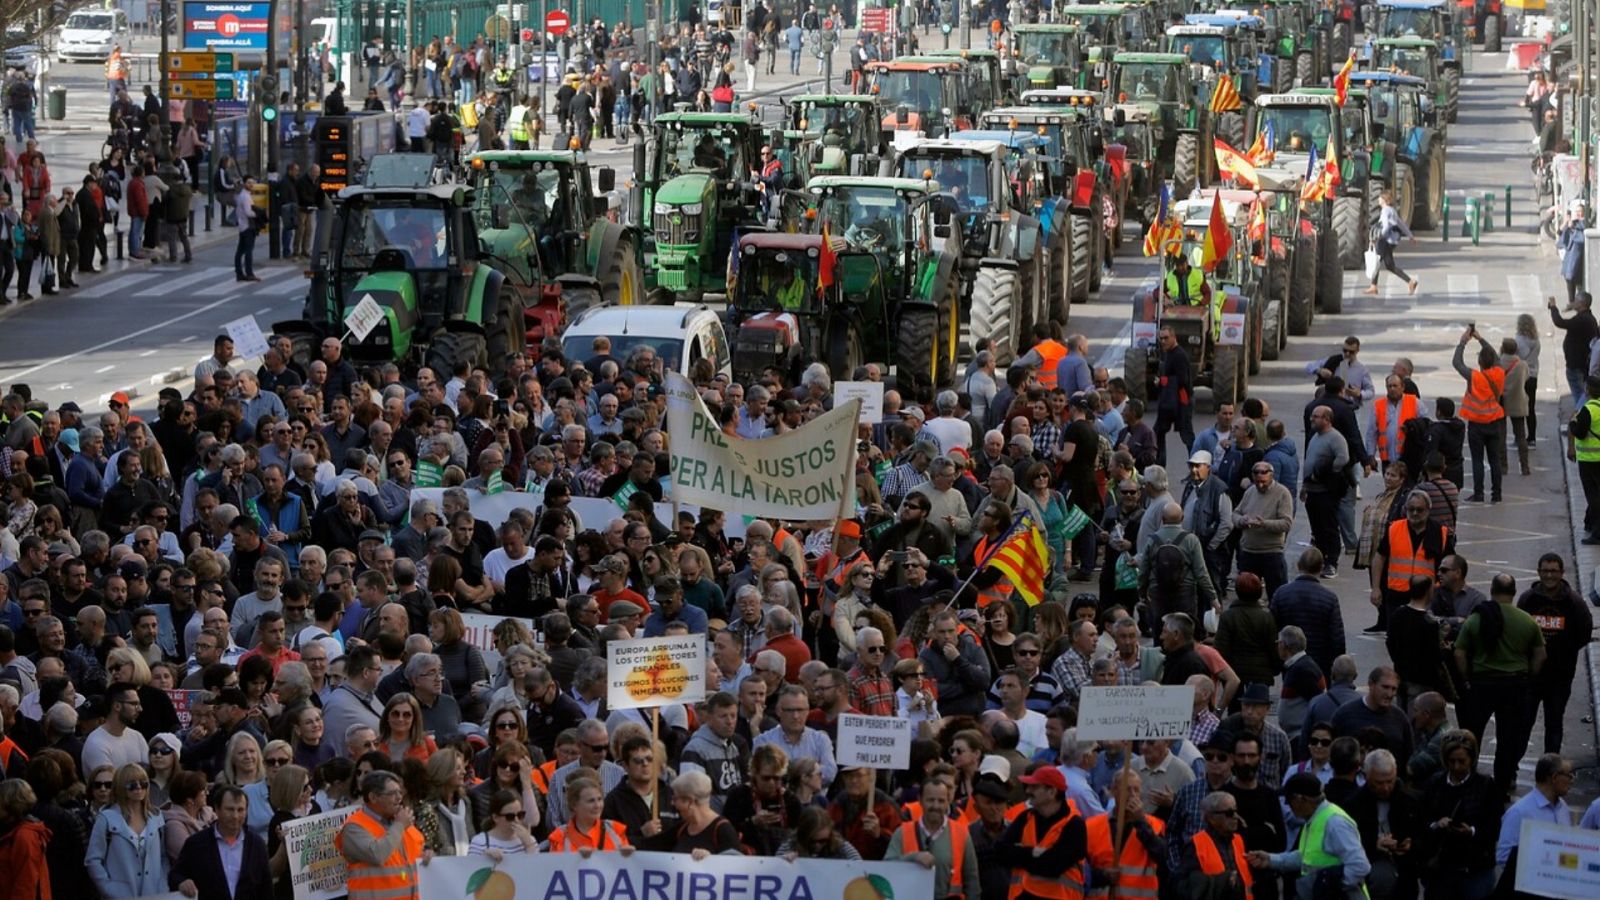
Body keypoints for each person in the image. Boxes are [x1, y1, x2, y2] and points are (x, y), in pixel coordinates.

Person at [1454, 573, 1546, 793]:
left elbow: (1459, 653)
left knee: (1472, 733)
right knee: (1509, 737)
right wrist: (1529, 676)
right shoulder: (1526, 620)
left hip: (1482, 684)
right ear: (1514, 593)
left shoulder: (1477, 619)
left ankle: (1467, 778)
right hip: (1514, 685)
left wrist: (1467, 676)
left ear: (1492, 590)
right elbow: (1541, 656)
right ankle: (1503, 785)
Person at [1247, 773, 1370, 900]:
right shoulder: (1314, 819)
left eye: (1289, 801)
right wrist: (1271, 860)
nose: (1288, 806)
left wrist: (1331, 888)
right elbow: (1306, 857)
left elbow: (1360, 866)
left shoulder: (1335, 823)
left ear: (1301, 800)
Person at [1517, 554, 1592, 753]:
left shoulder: (1574, 603)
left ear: (1561, 573)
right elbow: (1518, 632)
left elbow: (1584, 633)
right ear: (1538, 572)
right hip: (1531, 677)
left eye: (1553, 571)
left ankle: (1550, 772)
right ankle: (1511, 771)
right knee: (1522, 725)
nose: (1549, 575)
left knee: (1554, 725)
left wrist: (1563, 653)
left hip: (1560, 677)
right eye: (1545, 571)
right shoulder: (1527, 600)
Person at [1416, 730, 1501, 899]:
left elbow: (1494, 826)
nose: (1456, 767)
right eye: (1451, 761)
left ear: (1472, 759)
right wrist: (1436, 824)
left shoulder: (1485, 786)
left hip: (1475, 868)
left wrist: (1472, 832)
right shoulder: (1434, 784)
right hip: (1441, 868)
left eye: (1462, 761)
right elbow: (1421, 820)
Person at [996, 766, 1088, 899]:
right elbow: (1001, 852)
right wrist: (1033, 852)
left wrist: (1020, 854)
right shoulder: (1026, 818)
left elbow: (1054, 866)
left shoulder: (1074, 825)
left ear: (1052, 792)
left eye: (1034, 787)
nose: (1027, 791)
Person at [335, 770, 429, 898]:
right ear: (373, 797)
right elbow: (377, 854)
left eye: (400, 792)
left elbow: (417, 852)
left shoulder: (401, 822)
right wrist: (400, 825)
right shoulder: (354, 828)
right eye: (392, 793)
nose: (399, 798)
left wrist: (428, 856)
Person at [884, 777, 982, 899]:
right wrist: (913, 858)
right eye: (930, 800)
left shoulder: (961, 833)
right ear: (920, 800)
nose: (936, 806)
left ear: (948, 802)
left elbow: (972, 882)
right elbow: (887, 868)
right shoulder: (902, 832)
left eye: (941, 801)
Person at [170, 784, 272, 899]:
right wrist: (182, 882)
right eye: (230, 809)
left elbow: (266, 888)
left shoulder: (256, 844)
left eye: (240, 810)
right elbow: (175, 875)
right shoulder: (196, 844)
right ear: (217, 810)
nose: (235, 816)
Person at [87, 762, 170, 896]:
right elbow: (93, 860)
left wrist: (162, 885)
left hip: (154, 894)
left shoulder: (156, 817)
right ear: (120, 787)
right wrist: (109, 888)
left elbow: (163, 857)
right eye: (131, 784)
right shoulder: (106, 818)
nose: (138, 788)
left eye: (143, 783)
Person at [1452, 326, 1505, 502]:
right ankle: (1497, 493)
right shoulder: (1499, 373)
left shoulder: (1474, 377)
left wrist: (1463, 342)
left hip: (1477, 424)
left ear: (1480, 363)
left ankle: (1479, 492)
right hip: (1495, 421)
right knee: (1494, 459)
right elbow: (1495, 356)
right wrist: (1481, 339)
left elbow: (1457, 363)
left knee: (1477, 460)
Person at [1179, 790, 1254, 900]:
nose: (1235, 817)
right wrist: (1221, 881)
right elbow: (1184, 886)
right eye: (1229, 813)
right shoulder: (1196, 845)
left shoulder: (1239, 840)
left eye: (1236, 811)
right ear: (1211, 818)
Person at [1549, 292, 1598, 407]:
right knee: (1582, 393)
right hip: (1581, 363)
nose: (1573, 302)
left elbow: (1559, 322)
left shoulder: (1582, 319)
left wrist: (1553, 307)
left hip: (1577, 365)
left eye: (1575, 301)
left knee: (1579, 395)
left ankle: (1581, 416)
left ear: (1582, 303)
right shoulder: (1587, 318)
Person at [1363, 190, 1417, 295]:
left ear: (1384, 200)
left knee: (1376, 262)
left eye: (1380, 198)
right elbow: (1401, 224)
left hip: (1385, 240)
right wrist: (1410, 236)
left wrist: (1378, 237)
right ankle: (1410, 282)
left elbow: (1386, 226)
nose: (1378, 199)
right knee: (1389, 265)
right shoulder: (1392, 210)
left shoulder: (1385, 211)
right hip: (1392, 241)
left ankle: (1373, 286)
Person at [1567, 373, 1600, 544]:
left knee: (1593, 496)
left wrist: (1573, 423)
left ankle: (1596, 532)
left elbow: (1580, 432)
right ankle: (1589, 524)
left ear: (1588, 390)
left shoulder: (1589, 409)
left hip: (1589, 458)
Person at [234, 177, 259, 282]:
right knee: (248, 250)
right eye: (249, 183)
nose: (251, 185)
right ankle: (249, 273)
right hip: (247, 226)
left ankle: (239, 273)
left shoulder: (243, 195)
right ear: (244, 184)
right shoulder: (245, 197)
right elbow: (248, 212)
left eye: (252, 183)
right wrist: (257, 214)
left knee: (240, 251)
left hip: (242, 226)